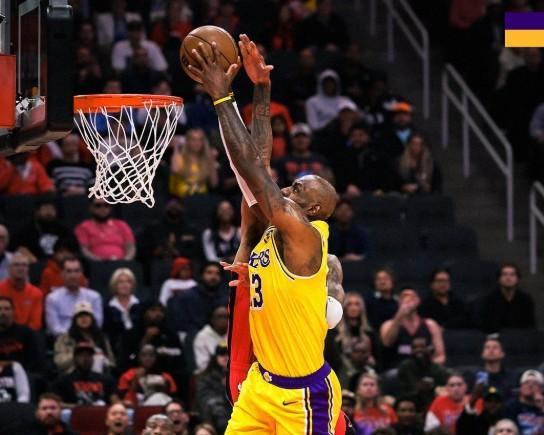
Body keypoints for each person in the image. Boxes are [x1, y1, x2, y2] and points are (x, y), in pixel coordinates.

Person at [190, 35, 342, 433]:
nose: (286, 189)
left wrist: (222, 98)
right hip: (260, 386)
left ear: (311, 210)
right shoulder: (271, 224)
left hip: (303, 396)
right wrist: (261, 89)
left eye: (297, 190)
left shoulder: (304, 237)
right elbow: (256, 164)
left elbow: (254, 172)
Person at [380, 288, 445, 369]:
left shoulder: (430, 325)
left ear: (418, 301)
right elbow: (387, 343)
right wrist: (400, 314)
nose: (409, 299)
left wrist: (427, 368)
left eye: (413, 297)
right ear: (399, 301)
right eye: (405, 296)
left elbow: (440, 356)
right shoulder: (388, 324)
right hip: (397, 369)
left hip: (425, 368)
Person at [119, 301, 183, 377]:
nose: (158, 314)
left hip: (167, 373)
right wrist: (145, 339)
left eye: (161, 311)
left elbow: (179, 356)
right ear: (144, 313)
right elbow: (127, 359)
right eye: (153, 310)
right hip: (138, 373)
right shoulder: (131, 334)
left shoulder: (170, 334)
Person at [45, 257, 103, 336]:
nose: (73, 275)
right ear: (62, 274)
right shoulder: (52, 298)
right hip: (63, 340)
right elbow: (54, 328)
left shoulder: (94, 297)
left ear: (81, 273)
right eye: (69, 271)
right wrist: (75, 336)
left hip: (89, 338)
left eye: (76, 271)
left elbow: (97, 324)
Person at [167, 262, 228, 336]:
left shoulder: (225, 299)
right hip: (191, 336)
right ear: (201, 275)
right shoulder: (186, 297)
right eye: (209, 272)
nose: (213, 277)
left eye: (217, 274)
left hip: (219, 336)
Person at [54, 301, 115, 374]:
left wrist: (100, 356)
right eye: (80, 316)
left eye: (87, 315)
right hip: (73, 373)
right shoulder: (64, 338)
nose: (84, 318)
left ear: (92, 318)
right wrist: (78, 354)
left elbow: (112, 362)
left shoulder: (101, 337)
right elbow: (59, 362)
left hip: (101, 373)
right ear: (75, 319)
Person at [53, 341, 117, 406]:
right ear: (75, 358)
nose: (85, 359)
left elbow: (115, 402)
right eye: (81, 355)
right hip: (75, 412)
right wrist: (75, 407)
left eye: (88, 355)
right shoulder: (64, 381)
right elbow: (56, 404)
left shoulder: (106, 380)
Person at [397, 337, 450, 410]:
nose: (418, 350)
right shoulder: (405, 368)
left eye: (422, 347)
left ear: (429, 348)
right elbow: (402, 391)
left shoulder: (437, 368)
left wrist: (434, 387)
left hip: (433, 400)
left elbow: (444, 385)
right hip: (411, 402)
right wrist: (418, 389)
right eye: (415, 347)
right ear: (411, 350)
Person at [480, 263, 536, 332]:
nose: (508, 278)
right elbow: (486, 325)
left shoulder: (525, 300)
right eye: (504, 274)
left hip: (520, 336)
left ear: (517, 279)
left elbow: (530, 325)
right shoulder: (489, 300)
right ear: (499, 279)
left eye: (512, 274)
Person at [272, 122, 329, 186]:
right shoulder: (282, 162)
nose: (300, 140)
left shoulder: (321, 160)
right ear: (291, 140)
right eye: (297, 136)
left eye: (304, 136)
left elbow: (330, 182)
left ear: (310, 139)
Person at [169, 128, 219, 198]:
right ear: (187, 141)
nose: (197, 143)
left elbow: (214, 183)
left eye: (200, 140)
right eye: (193, 139)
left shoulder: (206, 160)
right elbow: (175, 170)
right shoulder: (179, 157)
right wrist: (176, 148)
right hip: (182, 196)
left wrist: (212, 160)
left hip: (202, 197)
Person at [0, 296, 44, 373]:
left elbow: (34, 360)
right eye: (0, 309)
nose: (3, 312)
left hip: (23, 374)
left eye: (7, 309)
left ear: (13, 311)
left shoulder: (26, 333)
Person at [0, 253, 43, 330]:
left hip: (27, 334)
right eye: (16, 265)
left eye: (24, 265)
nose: (20, 268)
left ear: (28, 269)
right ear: (9, 269)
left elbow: (36, 323)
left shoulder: (36, 293)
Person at [196, 343, 232, 433]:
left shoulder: (240, 375)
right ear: (216, 357)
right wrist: (223, 387)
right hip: (216, 419)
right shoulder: (205, 378)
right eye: (221, 354)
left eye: (227, 354)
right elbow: (206, 401)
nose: (225, 357)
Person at [104, 268, 140, 352]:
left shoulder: (140, 305)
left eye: (128, 282)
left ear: (132, 285)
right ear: (114, 285)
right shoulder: (107, 308)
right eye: (120, 282)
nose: (125, 285)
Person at [473, 335, 517, 400]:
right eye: (487, 347)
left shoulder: (511, 376)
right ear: (482, 354)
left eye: (495, 347)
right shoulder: (476, 375)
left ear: (502, 354)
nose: (491, 350)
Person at [504, 370, 544, 434]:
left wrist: (542, 408)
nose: (530, 385)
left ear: (541, 389)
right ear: (521, 387)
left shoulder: (542, 406)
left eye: (535, 383)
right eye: (526, 382)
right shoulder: (511, 406)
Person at [193, 306, 228, 373]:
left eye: (226, 317)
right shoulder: (202, 336)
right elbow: (202, 365)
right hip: (209, 374)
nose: (223, 320)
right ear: (212, 319)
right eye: (219, 317)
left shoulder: (235, 335)